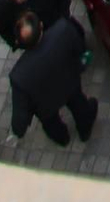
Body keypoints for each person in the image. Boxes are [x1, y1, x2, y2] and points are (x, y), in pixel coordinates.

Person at [7, 9, 97, 147]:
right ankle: (85, 131)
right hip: (70, 84)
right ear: (41, 25)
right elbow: (79, 49)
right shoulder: (63, 30)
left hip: (46, 106)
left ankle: (63, 138)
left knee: (51, 124)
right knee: (79, 104)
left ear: (19, 42)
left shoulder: (19, 76)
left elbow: (19, 124)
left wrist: (19, 129)